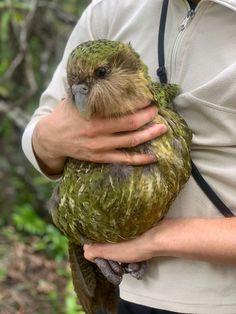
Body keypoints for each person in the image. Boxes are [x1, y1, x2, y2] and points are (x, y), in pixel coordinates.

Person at [22, 0, 236, 313]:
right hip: (129, 291)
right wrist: (49, 138)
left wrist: (156, 241)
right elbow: (39, 132)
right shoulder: (112, 9)